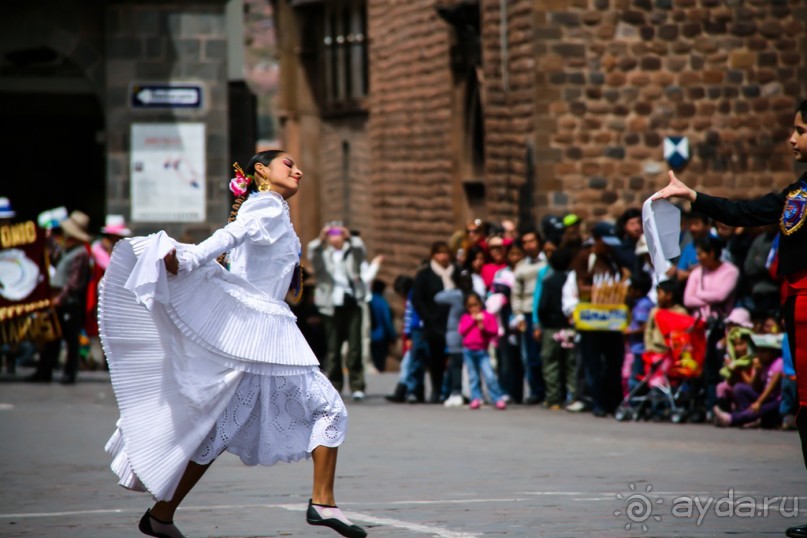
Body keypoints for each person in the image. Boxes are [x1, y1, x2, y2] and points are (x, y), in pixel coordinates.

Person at [98, 151, 366, 538]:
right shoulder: (267, 206)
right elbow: (230, 236)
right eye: (288, 164)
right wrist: (190, 260)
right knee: (329, 408)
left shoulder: (271, 209)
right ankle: (322, 502)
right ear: (261, 170)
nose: (298, 171)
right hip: (261, 328)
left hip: (258, 329)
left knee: (219, 429)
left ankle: (161, 514)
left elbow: (239, 253)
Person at [653, 98, 807, 538]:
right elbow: (749, 212)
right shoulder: (800, 190)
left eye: (800, 130)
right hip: (795, 303)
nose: (791, 138)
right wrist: (694, 197)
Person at [27, 210, 92, 384]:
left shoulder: (81, 253)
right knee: (52, 337)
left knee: (71, 339)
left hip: (69, 302)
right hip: (59, 299)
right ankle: (45, 370)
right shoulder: (68, 249)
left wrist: (60, 298)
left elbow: (74, 283)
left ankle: (69, 373)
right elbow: (55, 256)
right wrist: (47, 239)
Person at [307, 222, 369, 401]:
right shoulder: (323, 254)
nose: (335, 238)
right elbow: (312, 253)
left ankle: (357, 385)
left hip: (352, 302)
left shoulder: (351, 252)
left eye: (338, 234)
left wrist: (351, 237)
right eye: (332, 235)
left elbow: (361, 251)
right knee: (333, 348)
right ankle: (335, 385)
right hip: (331, 305)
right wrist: (320, 237)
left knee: (355, 347)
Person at [411, 241, 455, 403]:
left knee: (454, 358)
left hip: (453, 322)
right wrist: (427, 316)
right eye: (439, 253)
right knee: (435, 360)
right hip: (434, 325)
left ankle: (453, 389)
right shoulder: (425, 274)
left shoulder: (456, 272)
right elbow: (417, 298)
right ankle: (437, 390)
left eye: (445, 253)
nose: (443, 257)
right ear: (433, 255)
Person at [458, 292, 508, 410]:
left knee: (489, 375)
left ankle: (497, 398)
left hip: (482, 351)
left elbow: (494, 331)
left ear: (480, 304)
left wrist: (483, 327)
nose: (473, 308)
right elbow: (462, 331)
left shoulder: (487, 316)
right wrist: (472, 320)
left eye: (475, 305)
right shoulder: (466, 317)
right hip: (468, 350)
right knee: (473, 377)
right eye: (470, 306)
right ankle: (476, 397)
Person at [368, 279, 396, 372]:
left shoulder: (368, 301)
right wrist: (392, 335)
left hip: (368, 336)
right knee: (380, 364)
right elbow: (387, 320)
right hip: (380, 336)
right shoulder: (382, 302)